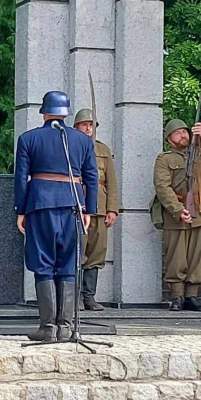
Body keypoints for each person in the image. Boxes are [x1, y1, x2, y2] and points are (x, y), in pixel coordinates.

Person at [15, 91, 99, 342]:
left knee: (43, 262)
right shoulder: (83, 141)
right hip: (73, 205)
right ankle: (65, 327)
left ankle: (48, 327)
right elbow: (91, 176)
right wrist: (88, 209)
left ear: (44, 111)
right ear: (66, 113)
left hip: (41, 205)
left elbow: (21, 178)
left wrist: (21, 210)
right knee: (68, 263)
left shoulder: (28, 138)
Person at [153, 118, 201, 311]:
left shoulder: (199, 154)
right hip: (176, 212)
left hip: (199, 210)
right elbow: (162, 187)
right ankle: (177, 296)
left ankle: (192, 296)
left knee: (197, 256)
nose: (183, 134)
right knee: (176, 256)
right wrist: (177, 210)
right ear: (169, 139)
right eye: (177, 133)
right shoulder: (165, 159)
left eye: (185, 131)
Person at [72, 109, 120, 311]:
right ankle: (73, 298)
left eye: (92, 125)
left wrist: (112, 209)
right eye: (84, 124)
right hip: (77, 205)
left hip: (99, 207)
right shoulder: (70, 147)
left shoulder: (103, 149)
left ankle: (89, 297)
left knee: (96, 254)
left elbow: (111, 182)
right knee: (76, 252)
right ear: (76, 127)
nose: (89, 128)